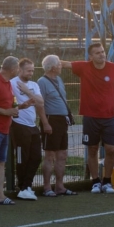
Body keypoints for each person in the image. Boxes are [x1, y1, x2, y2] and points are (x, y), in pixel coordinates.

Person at [61, 43, 114, 193]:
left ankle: (107, 181)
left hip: (109, 117)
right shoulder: (83, 67)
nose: (101, 54)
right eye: (97, 53)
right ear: (90, 56)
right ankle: (95, 182)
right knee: (92, 149)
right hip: (90, 116)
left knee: (111, 149)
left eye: (103, 52)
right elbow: (64, 64)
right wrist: (49, 62)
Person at [0, 56, 31, 206]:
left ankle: (0, 195)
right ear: (13, 69)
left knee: (1, 162)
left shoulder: (8, 83)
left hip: (4, 129)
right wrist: (6, 112)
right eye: (18, 68)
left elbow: (10, 104)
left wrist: (20, 107)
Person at [10, 58, 48, 201]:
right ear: (20, 70)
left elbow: (41, 102)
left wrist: (27, 91)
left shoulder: (33, 84)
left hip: (32, 125)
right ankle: (22, 187)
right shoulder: (12, 83)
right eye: (28, 70)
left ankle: (27, 185)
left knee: (36, 156)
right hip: (18, 124)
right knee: (22, 157)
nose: (31, 73)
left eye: (32, 70)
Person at [38, 55, 75, 196]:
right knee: (49, 155)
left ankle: (60, 186)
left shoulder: (59, 79)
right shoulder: (42, 82)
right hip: (50, 120)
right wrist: (45, 123)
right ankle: (47, 187)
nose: (61, 66)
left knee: (62, 154)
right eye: (59, 64)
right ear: (53, 67)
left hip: (62, 121)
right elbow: (39, 105)